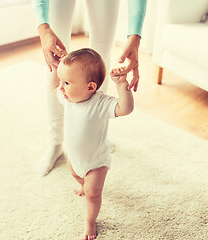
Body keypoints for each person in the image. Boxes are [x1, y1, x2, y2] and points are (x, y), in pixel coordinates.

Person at [31, 0, 146, 176]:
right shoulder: (60, 89)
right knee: (55, 60)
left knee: (101, 55)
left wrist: (135, 37)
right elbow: (55, 84)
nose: (62, 88)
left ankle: (97, 137)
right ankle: (55, 143)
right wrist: (43, 28)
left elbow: (125, 108)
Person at [52, 48, 133, 240]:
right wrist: (56, 69)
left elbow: (125, 109)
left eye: (67, 83)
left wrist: (122, 85)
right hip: (75, 157)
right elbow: (53, 87)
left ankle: (90, 221)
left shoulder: (100, 103)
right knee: (75, 175)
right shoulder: (68, 99)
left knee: (93, 193)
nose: (61, 87)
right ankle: (82, 184)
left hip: (96, 162)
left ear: (90, 87)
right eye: (61, 81)